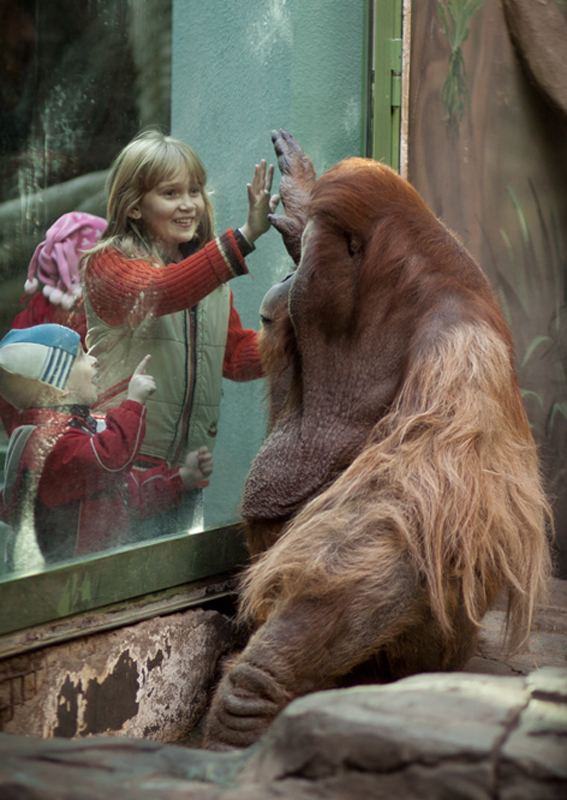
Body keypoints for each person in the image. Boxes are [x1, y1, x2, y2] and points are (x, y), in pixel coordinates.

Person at [81, 129, 279, 535]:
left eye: (195, 190)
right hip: (117, 473)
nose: (189, 204)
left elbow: (236, 356)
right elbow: (160, 290)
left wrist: (304, 329)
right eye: (171, 194)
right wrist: (245, 236)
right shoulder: (107, 264)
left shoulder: (210, 282)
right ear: (134, 207)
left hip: (186, 477)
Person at [0, 324, 213, 568]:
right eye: (81, 355)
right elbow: (111, 459)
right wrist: (133, 403)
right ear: (60, 387)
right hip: (64, 588)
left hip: (92, 578)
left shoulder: (77, 433)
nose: (94, 360)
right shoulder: (47, 447)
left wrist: (182, 477)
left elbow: (125, 494)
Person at [0, 212, 106, 435]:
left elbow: (9, 394)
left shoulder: (27, 320)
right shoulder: (98, 318)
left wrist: (22, 433)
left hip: (35, 433)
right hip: (90, 437)